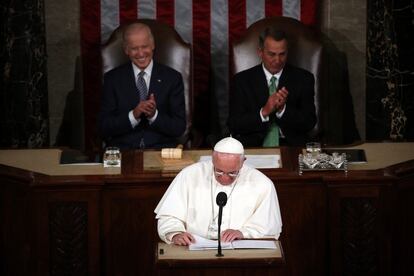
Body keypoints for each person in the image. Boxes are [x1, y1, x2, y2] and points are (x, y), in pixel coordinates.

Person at [154, 137, 282, 245]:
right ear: (212, 160)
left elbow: (269, 227)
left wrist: (243, 233)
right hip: (194, 248)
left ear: (243, 162)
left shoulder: (262, 184)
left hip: (238, 251)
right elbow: (168, 215)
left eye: (232, 173)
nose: (225, 178)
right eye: (219, 171)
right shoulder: (189, 175)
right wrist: (176, 233)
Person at [100, 22, 186, 149]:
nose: (140, 54)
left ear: (152, 45)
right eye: (134, 48)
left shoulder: (172, 78)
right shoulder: (112, 79)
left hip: (161, 151)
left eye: (144, 46)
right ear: (126, 50)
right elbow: (104, 127)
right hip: (124, 152)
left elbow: (178, 127)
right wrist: (133, 115)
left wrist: (154, 115)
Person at [228, 27, 317, 147]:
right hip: (254, 147)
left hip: (291, 146)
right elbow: (234, 124)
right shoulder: (242, 80)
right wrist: (264, 112)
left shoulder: (304, 78)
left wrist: (282, 110)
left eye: (282, 54)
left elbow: (309, 122)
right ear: (260, 52)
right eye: (272, 54)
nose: (277, 60)